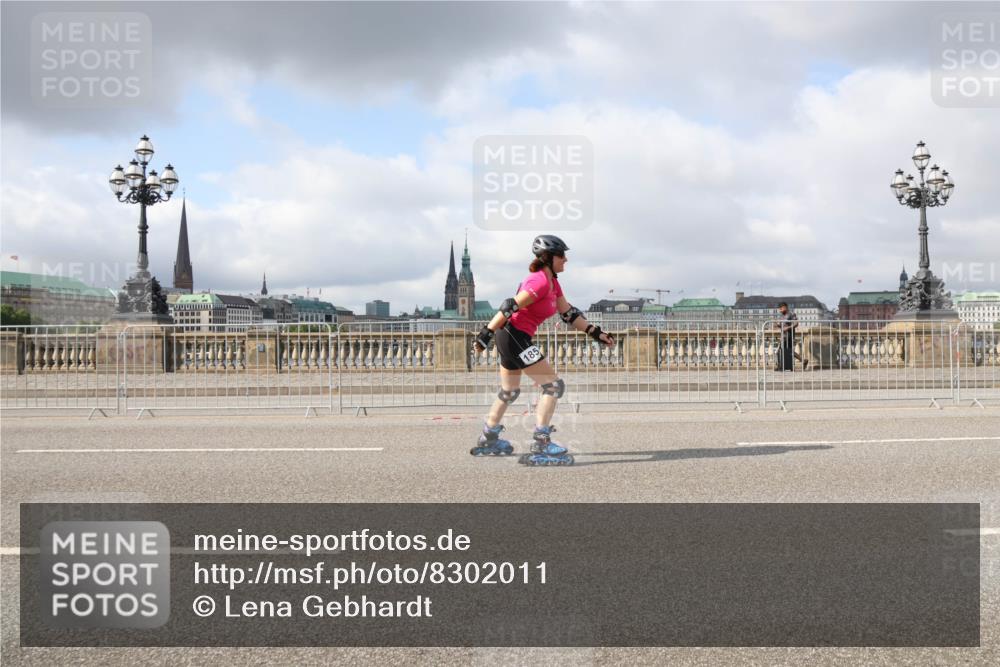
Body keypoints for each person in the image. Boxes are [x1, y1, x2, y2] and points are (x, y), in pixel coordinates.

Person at [470, 235, 616, 466]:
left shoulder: (553, 283)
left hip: (512, 337)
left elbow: (569, 314)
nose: (565, 259)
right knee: (553, 385)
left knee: (509, 391)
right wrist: (485, 334)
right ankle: (542, 441)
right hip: (513, 335)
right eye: (561, 255)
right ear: (548, 258)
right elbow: (509, 306)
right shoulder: (538, 281)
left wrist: (596, 333)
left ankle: (489, 437)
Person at [775, 301, 807, 371]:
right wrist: (778, 325)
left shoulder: (791, 314)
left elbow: (796, 323)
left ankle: (780, 366)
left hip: (789, 336)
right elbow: (782, 326)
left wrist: (788, 328)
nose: (780, 310)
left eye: (781, 309)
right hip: (783, 336)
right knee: (786, 351)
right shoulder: (781, 316)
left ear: (785, 307)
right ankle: (803, 360)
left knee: (782, 351)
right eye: (779, 309)